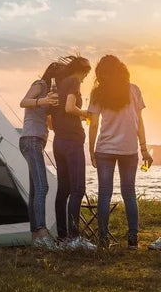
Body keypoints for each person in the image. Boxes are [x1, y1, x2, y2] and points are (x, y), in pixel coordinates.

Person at [88, 55, 153, 249]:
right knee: (129, 193)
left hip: (105, 148)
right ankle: (133, 239)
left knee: (104, 194)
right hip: (129, 149)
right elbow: (139, 121)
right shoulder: (133, 90)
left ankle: (103, 240)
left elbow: (93, 125)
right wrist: (143, 147)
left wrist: (91, 150)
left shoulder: (98, 93)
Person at [51, 55, 95, 250]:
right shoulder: (74, 81)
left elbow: (55, 115)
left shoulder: (60, 83)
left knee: (63, 190)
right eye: (87, 74)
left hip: (58, 141)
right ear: (83, 70)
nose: (86, 78)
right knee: (78, 189)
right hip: (71, 141)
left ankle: (62, 237)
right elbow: (70, 107)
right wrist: (85, 114)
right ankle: (75, 238)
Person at [19, 62, 61, 249]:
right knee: (43, 186)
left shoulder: (51, 94)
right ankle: (42, 232)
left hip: (36, 140)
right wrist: (44, 100)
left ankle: (36, 236)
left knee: (36, 189)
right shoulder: (40, 85)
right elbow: (23, 102)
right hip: (31, 140)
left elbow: (49, 124)